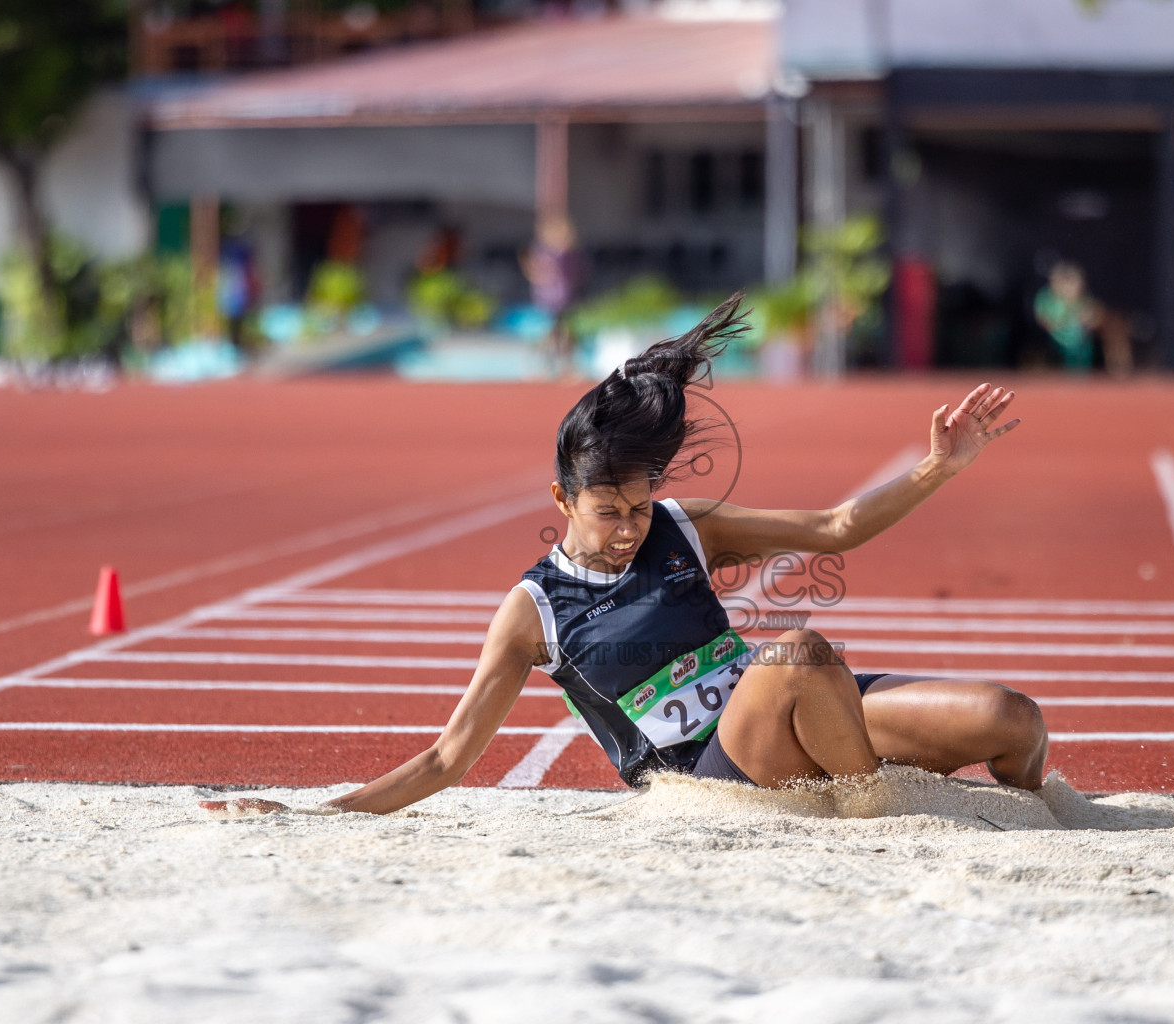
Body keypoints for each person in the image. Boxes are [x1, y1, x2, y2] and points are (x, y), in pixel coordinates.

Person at [203, 296, 1046, 817]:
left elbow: (834, 529)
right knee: (795, 654)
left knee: (1010, 717)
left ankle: (1026, 812)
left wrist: (941, 464)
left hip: (801, 719)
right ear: (562, 503)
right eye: (609, 511)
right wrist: (318, 814)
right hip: (711, 772)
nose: (629, 527)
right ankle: (879, 812)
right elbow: (447, 756)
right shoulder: (532, 612)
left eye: (640, 507)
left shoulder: (685, 526)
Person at [520, 215, 585, 377]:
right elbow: (530, 264)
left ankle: (566, 366)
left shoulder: (566, 251)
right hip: (548, 298)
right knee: (548, 334)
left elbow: (576, 270)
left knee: (564, 333)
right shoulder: (542, 250)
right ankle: (543, 367)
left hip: (564, 297)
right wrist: (537, 276)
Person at [1033, 262, 1100, 371]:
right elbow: (1043, 319)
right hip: (1056, 336)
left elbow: (1092, 316)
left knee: (1083, 347)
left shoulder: (1084, 298)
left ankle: (1081, 375)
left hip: (1078, 336)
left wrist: (1087, 321)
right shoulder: (1045, 297)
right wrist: (1056, 324)